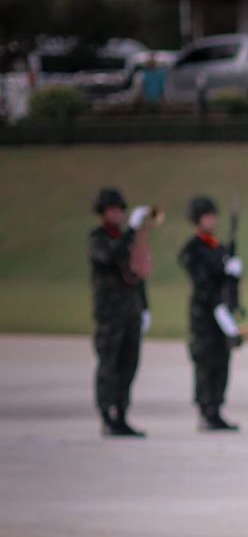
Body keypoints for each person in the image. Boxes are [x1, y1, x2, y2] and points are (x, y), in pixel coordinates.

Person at [88, 187, 151, 437]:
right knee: (109, 365)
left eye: (120, 210)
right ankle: (107, 415)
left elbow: (137, 275)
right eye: (113, 210)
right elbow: (110, 256)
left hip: (131, 312)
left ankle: (122, 414)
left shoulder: (127, 240)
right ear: (103, 212)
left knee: (128, 364)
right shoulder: (97, 238)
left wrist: (145, 307)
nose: (118, 215)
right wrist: (132, 231)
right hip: (110, 315)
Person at [179, 195, 244, 431]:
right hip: (204, 315)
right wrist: (221, 272)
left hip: (222, 314)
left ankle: (216, 408)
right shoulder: (193, 249)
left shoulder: (219, 247)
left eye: (213, 216)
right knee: (206, 363)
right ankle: (205, 409)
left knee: (221, 361)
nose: (212, 221)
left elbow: (227, 284)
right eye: (207, 217)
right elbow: (202, 282)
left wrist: (233, 277)